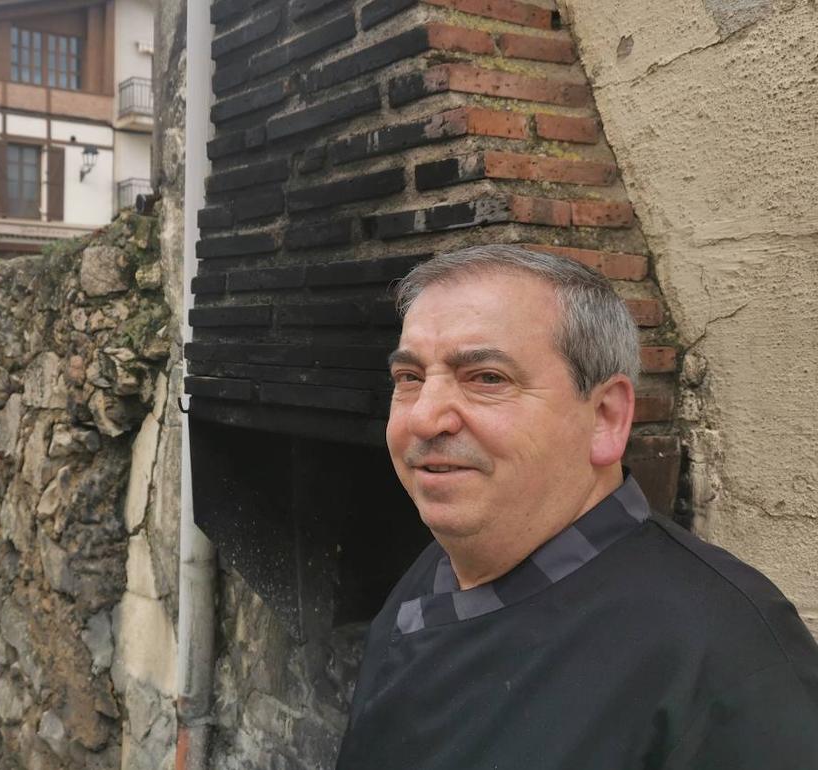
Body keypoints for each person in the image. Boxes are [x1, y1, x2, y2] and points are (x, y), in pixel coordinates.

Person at [336, 244, 818, 769]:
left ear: (605, 417)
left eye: (487, 378)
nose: (424, 419)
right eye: (410, 378)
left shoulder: (726, 657)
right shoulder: (438, 567)